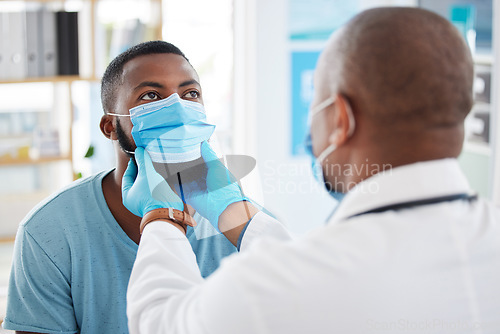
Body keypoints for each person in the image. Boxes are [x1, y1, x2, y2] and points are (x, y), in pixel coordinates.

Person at [125, 7, 500, 334]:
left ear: (339, 118)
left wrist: (162, 215)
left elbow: (161, 322)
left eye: (315, 104)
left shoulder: (275, 287)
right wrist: (239, 217)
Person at [3, 41, 239, 333]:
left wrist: (246, 225)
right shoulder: (49, 231)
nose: (178, 108)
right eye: (151, 95)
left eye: (190, 93)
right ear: (109, 126)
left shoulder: (239, 227)